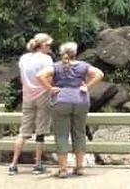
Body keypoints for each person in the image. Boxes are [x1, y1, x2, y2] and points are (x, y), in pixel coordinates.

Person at [37, 42, 104, 178]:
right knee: (79, 133)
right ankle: (79, 167)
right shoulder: (83, 66)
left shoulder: (56, 66)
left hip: (61, 101)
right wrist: (87, 86)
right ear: (75, 52)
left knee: (61, 135)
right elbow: (99, 74)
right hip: (80, 100)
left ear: (63, 53)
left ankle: (63, 169)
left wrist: (50, 88)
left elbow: (40, 75)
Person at [9, 33, 54, 175]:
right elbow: (49, 78)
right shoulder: (46, 59)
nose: (50, 48)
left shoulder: (24, 58)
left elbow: (23, 78)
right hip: (43, 95)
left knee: (24, 131)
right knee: (40, 132)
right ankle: (38, 164)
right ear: (43, 45)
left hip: (27, 95)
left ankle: (13, 164)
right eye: (49, 45)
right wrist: (52, 90)